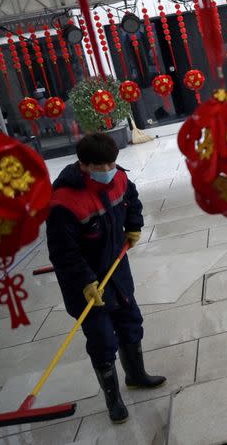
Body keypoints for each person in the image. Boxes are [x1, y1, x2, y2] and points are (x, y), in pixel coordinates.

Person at [47, 133, 165, 424]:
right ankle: (113, 399)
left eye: (112, 163)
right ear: (84, 165)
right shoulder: (64, 202)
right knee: (101, 339)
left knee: (130, 321)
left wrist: (134, 226)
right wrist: (85, 281)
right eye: (101, 166)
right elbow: (63, 252)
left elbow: (132, 200)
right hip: (86, 284)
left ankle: (136, 375)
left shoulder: (119, 179)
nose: (109, 170)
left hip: (117, 271)